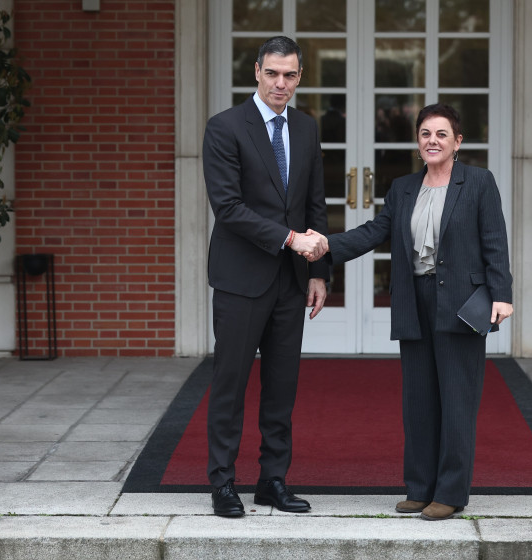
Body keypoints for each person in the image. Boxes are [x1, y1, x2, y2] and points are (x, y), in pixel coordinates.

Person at [304, 104, 513, 521]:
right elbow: (375, 232)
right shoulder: (402, 188)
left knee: (456, 401)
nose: (431, 141)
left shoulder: (479, 182)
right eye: (424, 134)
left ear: (458, 142)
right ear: (417, 142)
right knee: (418, 401)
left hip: (461, 303)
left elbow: (494, 239)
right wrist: (327, 245)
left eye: (441, 134)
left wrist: (501, 295)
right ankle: (420, 488)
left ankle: (450, 492)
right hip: (413, 301)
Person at [201, 35, 330, 518]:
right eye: (273, 73)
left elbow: (314, 203)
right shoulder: (225, 128)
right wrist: (291, 239)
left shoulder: (307, 128)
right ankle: (223, 484)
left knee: (282, 387)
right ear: (256, 71)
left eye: (290, 74)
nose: (281, 83)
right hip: (240, 279)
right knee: (230, 385)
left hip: (291, 281)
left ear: (300, 76)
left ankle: (272, 480)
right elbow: (229, 208)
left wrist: (317, 271)